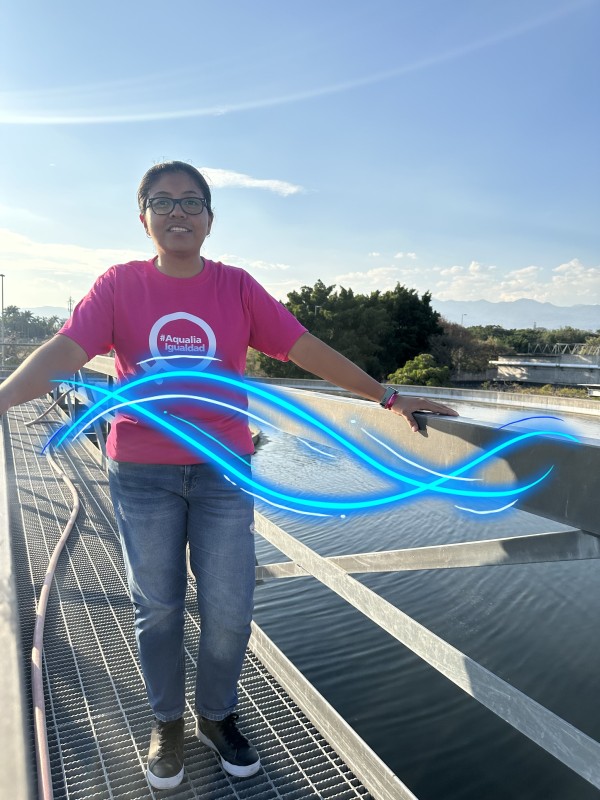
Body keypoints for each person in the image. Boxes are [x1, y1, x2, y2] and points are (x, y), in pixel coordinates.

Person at [0, 161, 458, 789]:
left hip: (223, 474)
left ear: (211, 220)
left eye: (192, 201)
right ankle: (166, 722)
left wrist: (389, 396)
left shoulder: (236, 288)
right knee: (157, 607)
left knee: (230, 607)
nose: (178, 212)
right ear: (143, 218)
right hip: (143, 473)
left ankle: (215, 717)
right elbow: (62, 353)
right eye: (163, 202)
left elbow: (304, 347)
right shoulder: (119, 285)